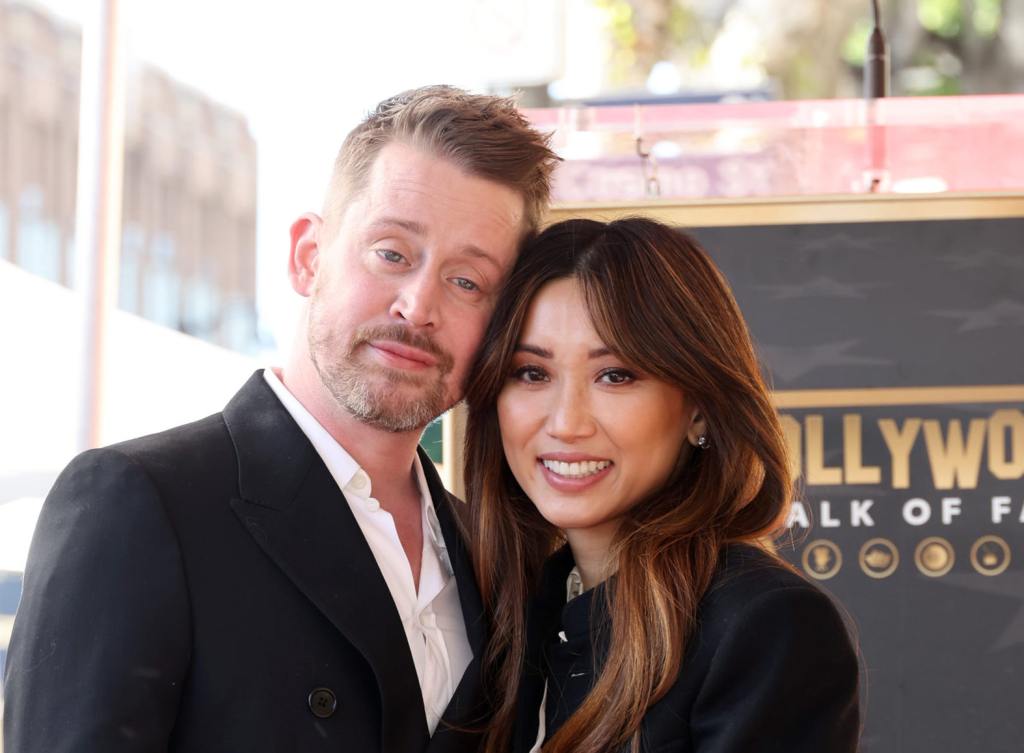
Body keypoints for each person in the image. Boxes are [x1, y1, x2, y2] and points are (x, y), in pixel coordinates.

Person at [3, 85, 558, 753]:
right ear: (307, 255)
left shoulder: (493, 551)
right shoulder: (139, 502)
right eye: (392, 253)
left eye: (467, 281)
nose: (418, 306)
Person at [464, 217, 861, 753]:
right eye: (532, 373)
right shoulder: (509, 615)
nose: (566, 422)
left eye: (616, 375)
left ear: (698, 410)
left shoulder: (764, 626)